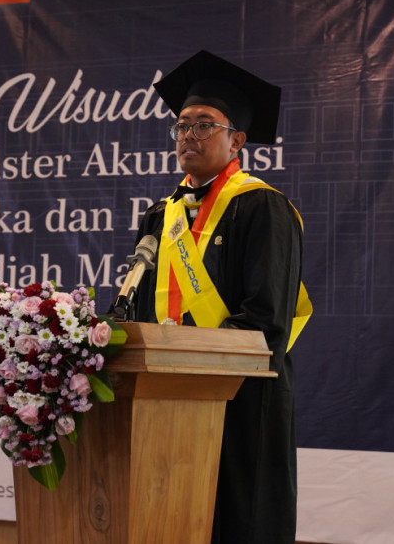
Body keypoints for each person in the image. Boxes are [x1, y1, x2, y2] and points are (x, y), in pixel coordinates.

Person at [131, 50, 312, 544]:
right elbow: (136, 303)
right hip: (165, 397)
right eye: (182, 125)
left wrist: (190, 361)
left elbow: (267, 321)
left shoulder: (263, 208)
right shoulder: (160, 215)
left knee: (237, 523)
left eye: (204, 125)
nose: (188, 135)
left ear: (237, 140)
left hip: (240, 398)